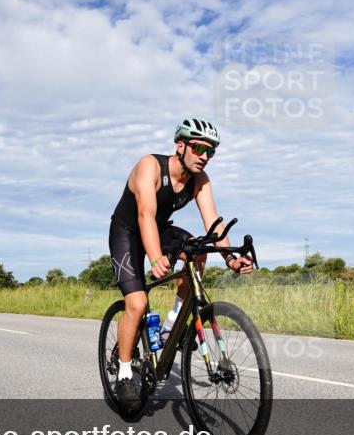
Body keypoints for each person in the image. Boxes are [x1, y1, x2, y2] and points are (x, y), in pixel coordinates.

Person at [108, 119, 253, 411]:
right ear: (181, 146)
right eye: (199, 148)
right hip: (127, 232)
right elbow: (145, 215)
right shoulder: (150, 167)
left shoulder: (200, 180)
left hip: (159, 230)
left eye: (210, 152)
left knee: (200, 250)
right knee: (136, 303)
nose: (204, 156)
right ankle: (124, 373)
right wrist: (155, 257)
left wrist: (230, 258)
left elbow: (213, 222)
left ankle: (170, 326)